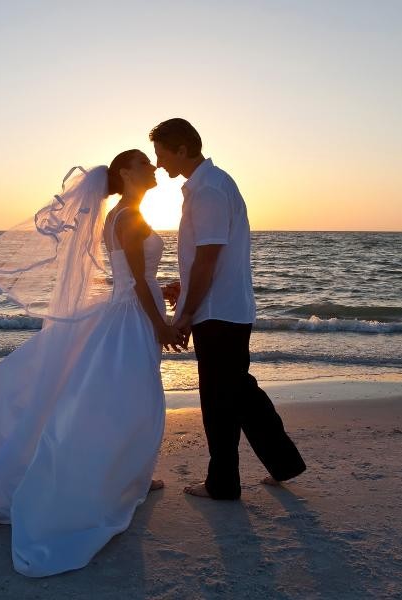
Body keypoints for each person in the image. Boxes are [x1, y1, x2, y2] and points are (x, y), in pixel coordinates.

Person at [0, 150, 182, 577]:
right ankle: (117, 481)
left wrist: (164, 287)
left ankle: (131, 479)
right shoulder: (128, 217)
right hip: (131, 319)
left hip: (126, 311)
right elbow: (136, 281)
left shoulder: (122, 214)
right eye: (144, 163)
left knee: (126, 400)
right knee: (129, 402)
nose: (152, 169)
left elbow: (135, 276)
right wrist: (161, 324)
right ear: (125, 172)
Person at [151, 118, 306, 500]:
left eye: (162, 153)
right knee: (239, 391)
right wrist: (184, 287)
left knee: (220, 400)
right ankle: (284, 462)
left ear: (183, 149)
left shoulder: (209, 190)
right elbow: (207, 262)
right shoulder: (210, 185)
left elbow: (208, 260)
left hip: (218, 312)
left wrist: (186, 313)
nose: (159, 163)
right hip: (226, 306)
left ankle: (222, 483)